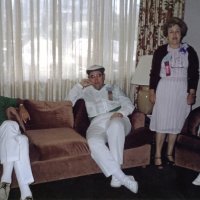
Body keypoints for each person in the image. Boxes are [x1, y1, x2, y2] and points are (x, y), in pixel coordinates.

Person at [67, 65, 138, 193]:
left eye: (98, 75)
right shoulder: (84, 91)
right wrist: (79, 86)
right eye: (92, 77)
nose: (96, 79)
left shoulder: (114, 88)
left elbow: (128, 103)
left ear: (103, 76)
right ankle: (121, 177)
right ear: (88, 78)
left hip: (118, 118)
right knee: (93, 142)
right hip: (96, 123)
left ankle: (117, 177)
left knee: (115, 125)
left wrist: (121, 113)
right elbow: (67, 103)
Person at [149, 17, 199, 169]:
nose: (175, 34)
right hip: (164, 89)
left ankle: (169, 153)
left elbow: (194, 74)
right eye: (171, 32)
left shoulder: (189, 51)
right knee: (162, 123)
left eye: (177, 31)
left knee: (175, 123)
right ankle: (158, 154)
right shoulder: (160, 51)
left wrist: (192, 93)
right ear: (167, 34)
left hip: (181, 91)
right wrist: (152, 91)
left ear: (182, 34)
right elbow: (154, 74)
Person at [0, 96, 34, 200]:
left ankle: (6, 181)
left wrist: (22, 106)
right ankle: (25, 190)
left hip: (9, 134)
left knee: (21, 138)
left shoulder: (1, 100)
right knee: (18, 136)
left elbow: (19, 100)